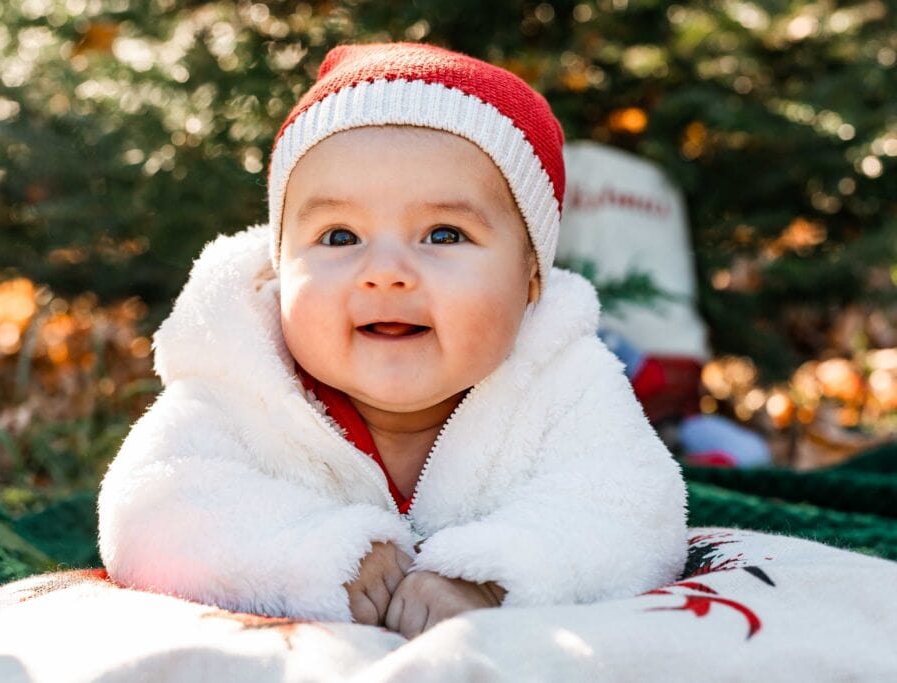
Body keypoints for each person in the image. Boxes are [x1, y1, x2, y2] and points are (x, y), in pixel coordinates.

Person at [97, 42, 688, 639]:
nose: (386, 271)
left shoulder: (563, 378)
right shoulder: (241, 382)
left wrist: (490, 573)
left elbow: (631, 505)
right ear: (279, 267)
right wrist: (320, 553)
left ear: (531, 275)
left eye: (443, 233)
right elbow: (154, 507)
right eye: (338, 236)